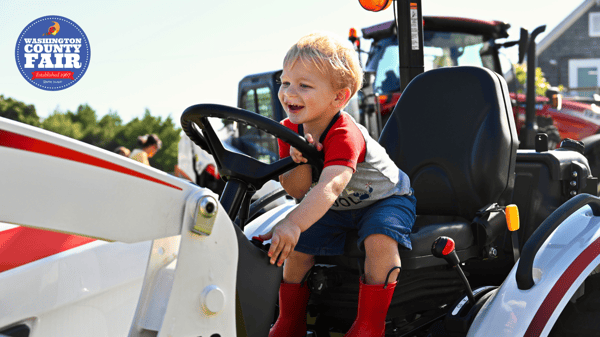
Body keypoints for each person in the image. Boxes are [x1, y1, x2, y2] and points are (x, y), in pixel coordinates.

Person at [258, 32, 416, 337]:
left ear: (338, 98)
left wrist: (292, 222)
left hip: (384, 198)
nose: (290, 93)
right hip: (339, 204)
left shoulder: (345, 134)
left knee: (380, 240)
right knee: (297, 246)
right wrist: (299, 159)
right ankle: (290, 320)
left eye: (304, 85)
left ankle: (370, 324)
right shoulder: (288, 131)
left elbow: (330, 187)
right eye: (285, 82)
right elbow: (298, 190)